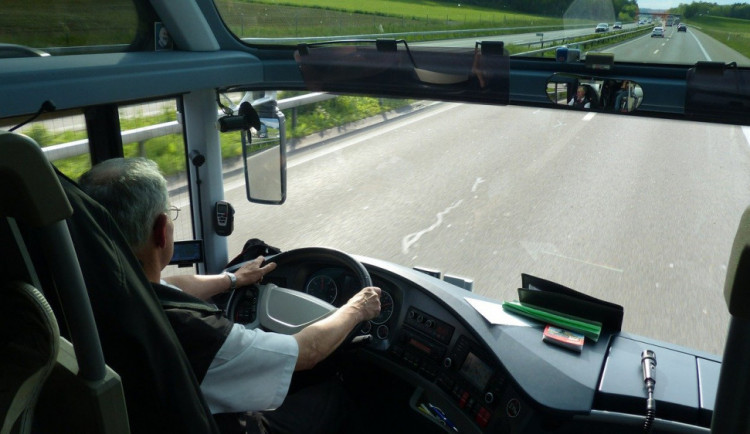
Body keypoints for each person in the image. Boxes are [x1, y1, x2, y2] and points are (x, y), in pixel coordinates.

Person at [79, 157, 382, 433]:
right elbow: (309, 351)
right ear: (162, 230)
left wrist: (233, 279)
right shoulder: (195, 331)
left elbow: (174, 286)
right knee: (332, 395)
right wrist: (357, 307)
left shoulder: (95, 289)